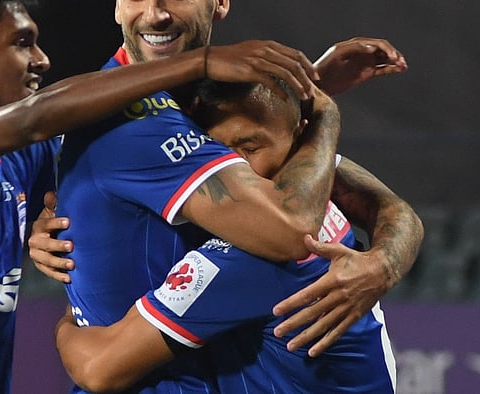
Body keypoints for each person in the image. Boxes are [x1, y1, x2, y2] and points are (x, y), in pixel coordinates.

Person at [0, 0, 324, 394]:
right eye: (22, 43)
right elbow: (36, 117)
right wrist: (196, 62)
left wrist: (303, 88)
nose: (41, 59)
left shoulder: (19, 161)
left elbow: (118, 156)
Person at [28, 0, 422, 391]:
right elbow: (293, 222)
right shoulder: (134, 121)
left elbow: (377, 209)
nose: (154, 13)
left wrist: (380, 265)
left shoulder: (221, 116)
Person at [54, 79, 416, 393]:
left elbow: (99, 369)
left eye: (251, 147)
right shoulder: (312, 187)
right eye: (221, 150)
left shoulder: (255, 254)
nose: (237, 166)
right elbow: (390, 208)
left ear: (300, 134)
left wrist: (70, 318)